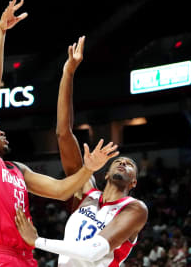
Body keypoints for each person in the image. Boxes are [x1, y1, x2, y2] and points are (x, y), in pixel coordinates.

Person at [0, 0, 120, 267]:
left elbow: (60, 191)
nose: (1, 131)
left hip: (26, 257)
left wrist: (88, 169)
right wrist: (1, 32)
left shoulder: (17, 170)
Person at [14, 36, 148, 267]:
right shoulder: (87, 193)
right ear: (105, 173)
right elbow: (63, 133)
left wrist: (37, 241)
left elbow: (92, 252)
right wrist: (68, 73)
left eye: (129, 165)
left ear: (134, 182)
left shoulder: (135, 209)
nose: (123, 163)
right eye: (119, 161)